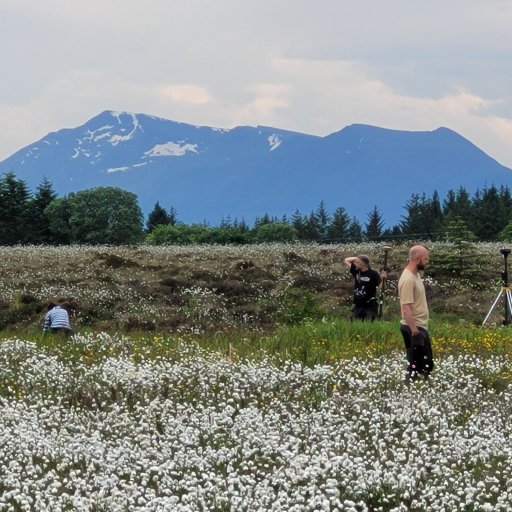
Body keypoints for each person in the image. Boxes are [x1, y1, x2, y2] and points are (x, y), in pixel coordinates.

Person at [398, 245, 434, 383]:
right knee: (416, 364)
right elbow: (406, 308)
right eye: (425, 258)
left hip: (420, 326)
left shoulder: (416, 275)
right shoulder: (408, 279)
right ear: (417, 258)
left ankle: (420, 385)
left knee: (426, 362)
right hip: (413, 328)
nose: (427, 261)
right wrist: (414, 331)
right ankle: (411, 386)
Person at [344, 254, 382, 321]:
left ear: (363, 264)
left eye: (357, 262)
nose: (355, 263)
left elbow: (382, 286)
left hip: (370, 305)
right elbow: (347, 260)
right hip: (358, 305)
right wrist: (358, 258)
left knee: (370, 324)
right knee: (353, 323)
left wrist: (383, 279)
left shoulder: (373, 274)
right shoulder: (356, 272)